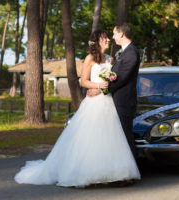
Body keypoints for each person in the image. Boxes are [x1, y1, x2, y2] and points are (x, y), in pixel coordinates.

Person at [14, 30, 140, 188]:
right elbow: (83, 81)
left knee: (110, 137)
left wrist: (103, 89)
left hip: (108, 102)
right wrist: (99, 85)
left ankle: (110, 172)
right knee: (90, 138)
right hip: (94, 103)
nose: (108, 40)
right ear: (97, 41)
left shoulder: (111, 59)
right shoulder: (90, 59)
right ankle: (86, 172)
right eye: (105, 38)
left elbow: (114, 80)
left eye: (109, 37)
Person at [87, 23, 140, 157]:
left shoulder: (131, 53)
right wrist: (98, 86)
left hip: (123, 101)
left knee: (125, 138)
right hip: (112, 101)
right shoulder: (123, 53)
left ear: (121, 34)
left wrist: (99, 89)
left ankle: (130, 173)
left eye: (114, 34)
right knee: (114, 138)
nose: (112, 37)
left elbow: (120, 79)